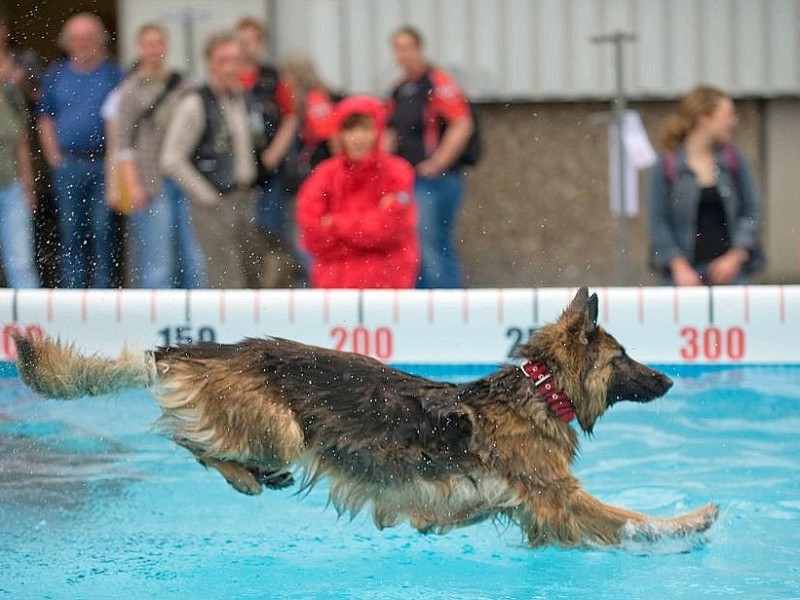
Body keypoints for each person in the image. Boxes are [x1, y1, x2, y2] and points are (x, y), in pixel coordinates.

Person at [160, 30, 260, 289]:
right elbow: (171, 159)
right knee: (225, 276)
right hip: (214, 201)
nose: (229, 67)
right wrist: (206, 196)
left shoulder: (242, 98)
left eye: (235, 60)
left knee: (249, 274)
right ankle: (230, 329)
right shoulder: (195, 102)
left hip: (243, 197)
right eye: (222, 60)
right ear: (210, 63)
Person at [113, 23, 204, 288]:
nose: (154, 50)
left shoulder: (182, 85)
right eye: (148, 44)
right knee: (158, 260)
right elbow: (123, 144)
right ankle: (156, 319)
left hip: (183, 177)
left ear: (166, 47)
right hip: (151, 180)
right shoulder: (130, 89)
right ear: (140, 48)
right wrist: (132, 184)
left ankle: (195, 317)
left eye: (158, 44)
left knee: (193, 258)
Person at [296, 95, 419, 289]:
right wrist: (366, 234)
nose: (358, 138)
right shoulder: (325, 174)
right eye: (350, 129)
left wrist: (335, 223)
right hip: (336, 288)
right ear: (340, 134)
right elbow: (312, 234)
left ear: (378, 131)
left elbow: (389, 230)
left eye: (366, 129)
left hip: (386, 286)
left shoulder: (397, 172)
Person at [37, 12, 123, 288]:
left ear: (100, 41)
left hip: (103, 164)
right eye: (77, 38)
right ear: (67, 43)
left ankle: (102, 295)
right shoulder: (56, 75)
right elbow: (45, 117)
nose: (83, 43)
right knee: (71, 232)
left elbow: (122, 119)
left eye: (89, 37)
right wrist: (53, 157)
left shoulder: (114, 74)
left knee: (103, 232)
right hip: (68, 165)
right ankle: (72, 294)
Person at [648, 85, 763, 286]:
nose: (734, 121)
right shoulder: (666, 167)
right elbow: (658, 222)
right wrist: (678, 266)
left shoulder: (734, 161)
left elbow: (752, 211)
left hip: (733, 277)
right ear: (704, 119)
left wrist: (734, 257)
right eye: (728, 114)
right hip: (681, 280)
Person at [386, 25, 474, 289]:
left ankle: (448, 309)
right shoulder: (400, 89)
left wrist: (437, 163)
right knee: (413, 247)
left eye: (407, 48)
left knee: (433, 244)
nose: (404, 55)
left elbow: (462, 122)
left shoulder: (436, 82)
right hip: (409, 180)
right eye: (398, 49)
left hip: (435, 181)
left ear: (419, 49)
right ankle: (425, 311)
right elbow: (390, 132)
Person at [235, 18, 298, 248]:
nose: (246, 47)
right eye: (242, 41)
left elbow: (291, 115)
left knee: (270, 231)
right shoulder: (229, 78)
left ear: (261, 44)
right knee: (239, 235)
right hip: (235, 170)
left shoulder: (273, 78)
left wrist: (275, 152)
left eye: (253, 41)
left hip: (269, 168)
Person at [0, 20, 40, 288]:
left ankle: (29, 323)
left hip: (11, 185)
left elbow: (22, 142)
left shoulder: (11, 93)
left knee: (21, 263)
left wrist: (28, 187)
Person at [279, 51, 338, 194]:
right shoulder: (314, 96)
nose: (283, 80)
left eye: (287, 74)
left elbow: (330, 134)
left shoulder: (314, 99)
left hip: (316, 168)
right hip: (313, 168)